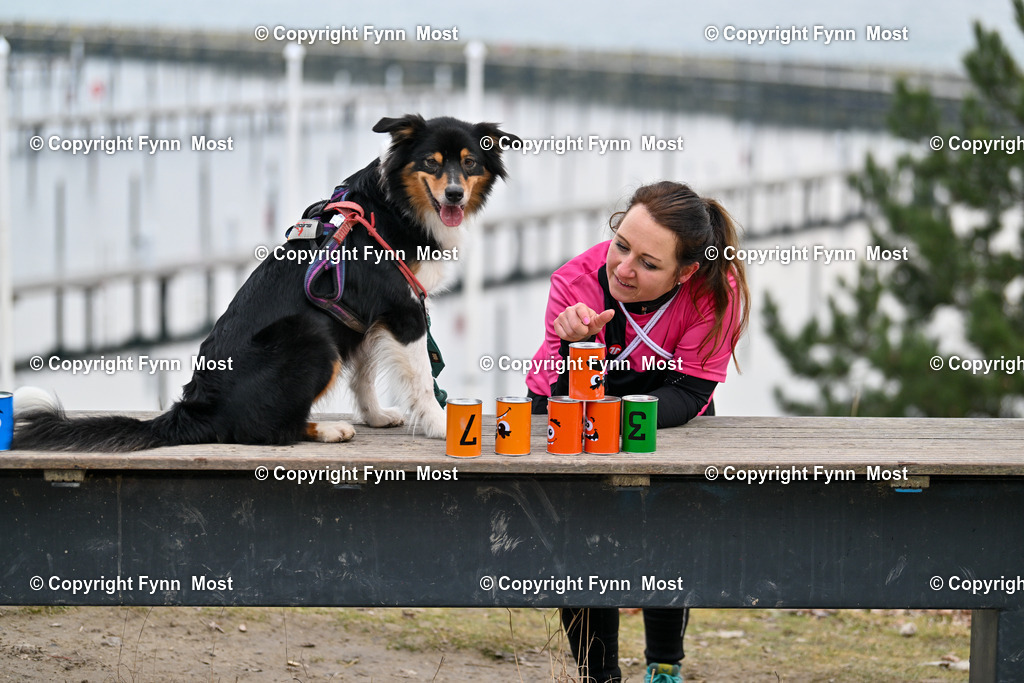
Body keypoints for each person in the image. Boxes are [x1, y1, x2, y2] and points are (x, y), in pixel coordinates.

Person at [526, 180, 750, 683]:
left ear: (685, 272)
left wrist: (608, 413)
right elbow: (545, 397)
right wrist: (573, 348)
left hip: (674, 412)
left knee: (669, 533)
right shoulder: (575, 279)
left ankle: (664, 665)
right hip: (577, 410)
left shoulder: (717, 289)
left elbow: (692, 395)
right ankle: (599, 675)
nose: (624, 269)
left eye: (649, 264)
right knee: (583, 537)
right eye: (621, 244)